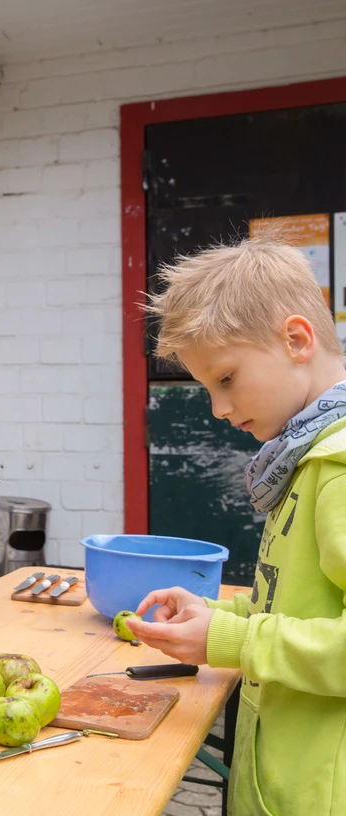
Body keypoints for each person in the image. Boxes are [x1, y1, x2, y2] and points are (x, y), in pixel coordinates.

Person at [126, 240, 346, 816]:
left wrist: (229, 641)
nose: (218, 409)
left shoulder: (340, 470)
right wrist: (217, 616)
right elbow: (304, 613)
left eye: (225, 379)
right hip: (278, 787)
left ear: (296, 341)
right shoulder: (305, 457)